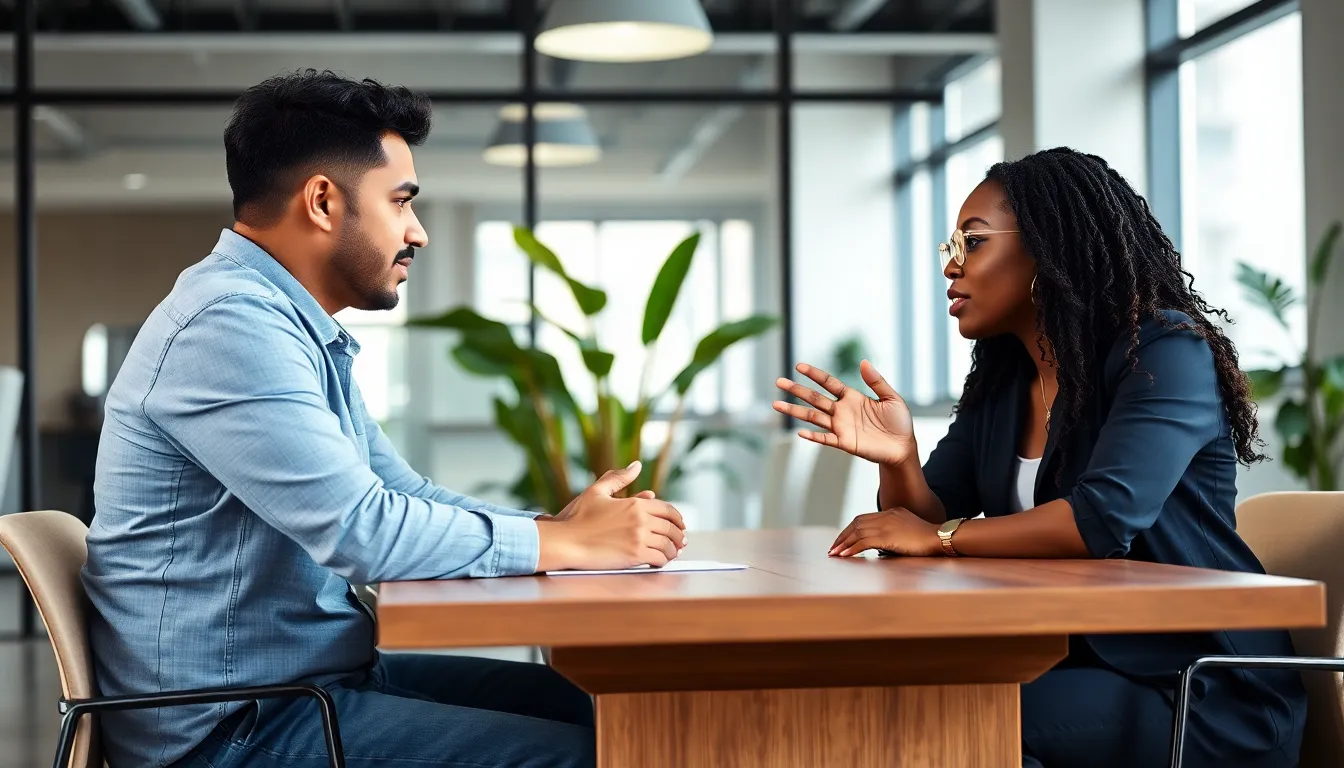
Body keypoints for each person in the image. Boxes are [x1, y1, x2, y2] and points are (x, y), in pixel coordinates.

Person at [83, 69, 687, 768]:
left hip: (304, 688)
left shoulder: (289, 328)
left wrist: (555, 531)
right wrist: (573, 548)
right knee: (594, 752)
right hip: (233, 729)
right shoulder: (229, 324)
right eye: (401, 203)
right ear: (322, 201)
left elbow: (403, 497)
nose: (418, 233)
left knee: (601, 706)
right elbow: (361, 529)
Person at [773, 147, 1306, 768]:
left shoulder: (1164, 352)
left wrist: (943, 538)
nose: (951, 266)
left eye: (972, 243)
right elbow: (919, 521)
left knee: (950, 722)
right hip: (1067, 659)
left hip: (1198, 686)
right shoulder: (1006, 381)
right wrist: (899, 458)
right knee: (890, 700)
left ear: (1047, 247)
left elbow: (1100, 519)